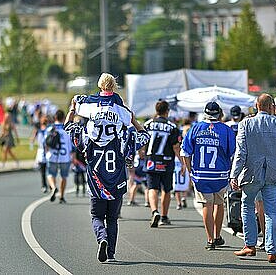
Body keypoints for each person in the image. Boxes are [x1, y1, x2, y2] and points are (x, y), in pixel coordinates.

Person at [66, 73, 148, 263]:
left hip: (96, 179)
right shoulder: (123, 137)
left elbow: (69, 127)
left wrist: (72, 110)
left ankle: (101, 238)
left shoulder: (87, 136)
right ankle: (111, 252)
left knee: (96, 215)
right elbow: (144, 136)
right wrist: (134, 120)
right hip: (117, 179)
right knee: (112, 218)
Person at [230, 94, 276, 263]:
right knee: (271, 210)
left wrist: (234, 174)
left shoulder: (245, 124)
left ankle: (250, 245)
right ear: (271, 106)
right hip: (274, 172)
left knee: (247, 205)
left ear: (256, 106)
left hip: (252, 173)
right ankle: (272, 251)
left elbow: (240, 152)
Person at [182, 101, 236, 250]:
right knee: (219, 204)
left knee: (207, 204)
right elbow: (232, 153)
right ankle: (217, 236)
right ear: (219, 113)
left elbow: (185, 152)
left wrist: (190, 170)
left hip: (201, 174)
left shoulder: (195, 128)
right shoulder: (226, 130)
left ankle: (210, 239)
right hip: (220, 174)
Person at [144, 100, 183, 227]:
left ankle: (154, 211)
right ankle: (164, 216)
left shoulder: (148, 124)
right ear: (167, 111)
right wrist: (183, 163)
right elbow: (176, 147)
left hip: (151, 160)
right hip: (166, 161)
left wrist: (141, 153)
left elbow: (142, 141)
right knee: (166, 189)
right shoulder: (172, 127)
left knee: (152, 188)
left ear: (156, 111)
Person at [45, 110, 73, 204]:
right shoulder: (67, 129)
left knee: (50, 174)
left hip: (53, 155)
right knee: (63, 176)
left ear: (55, 118)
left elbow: (45, 143)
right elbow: (72, 145)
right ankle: (61, 196)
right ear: (63, 118)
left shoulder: (50, 128)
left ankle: (53, 187)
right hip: (65, 156)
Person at [31, 116, 49, 193]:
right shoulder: (38, 129)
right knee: (43, 171)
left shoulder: (49, 129)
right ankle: (44, 185)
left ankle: (50, 185)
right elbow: (33, 137)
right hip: (41, 151)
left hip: (48, 151)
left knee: (49, 171)